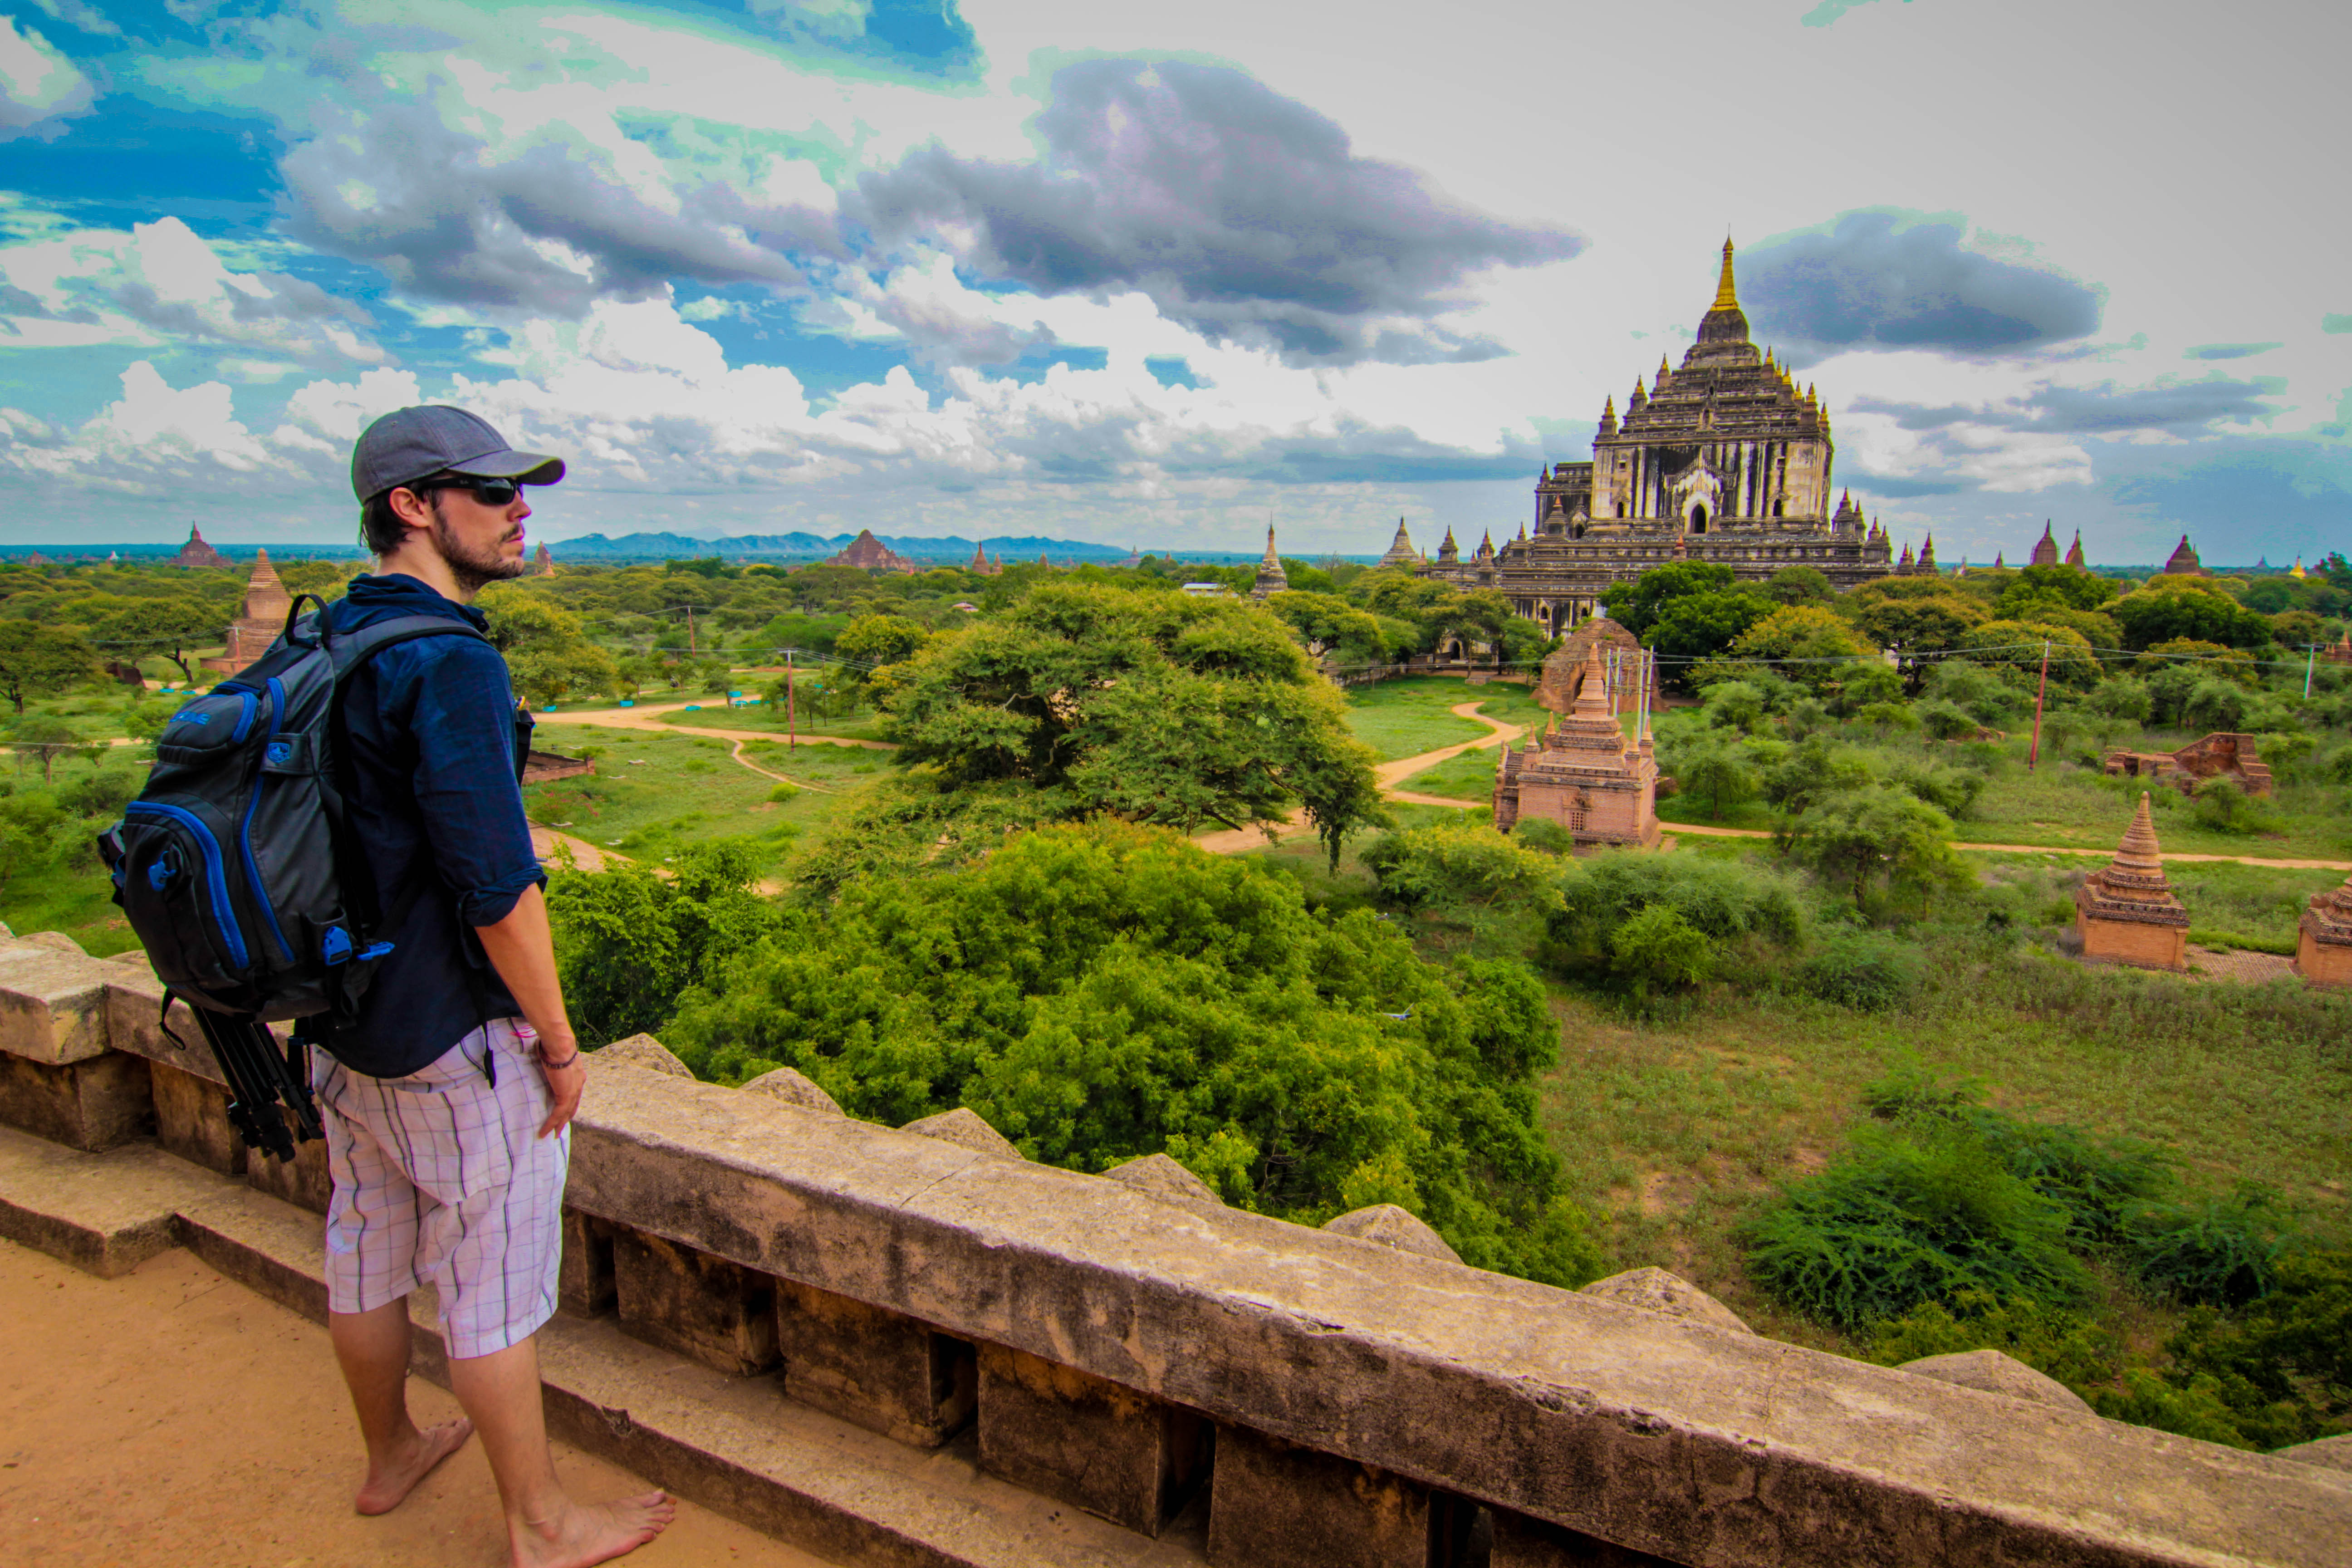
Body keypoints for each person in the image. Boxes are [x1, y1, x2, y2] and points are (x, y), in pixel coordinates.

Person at [318, 405, 674, 1568]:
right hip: (451, 1028)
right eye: (491, 490)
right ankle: (539, 1524)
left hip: (340, 1020)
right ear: (413, 509)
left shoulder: (328, 637)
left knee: (367, 1245)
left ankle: (390, 1456)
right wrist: (560, 1042)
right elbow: (497, 884)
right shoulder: (448, 659)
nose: (523, 509)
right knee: (492, 1286)